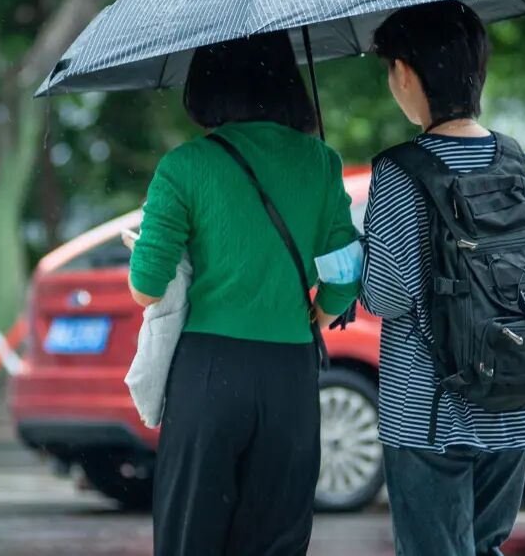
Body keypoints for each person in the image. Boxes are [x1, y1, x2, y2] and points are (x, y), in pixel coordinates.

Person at [123, 31, 361, 556]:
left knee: (194, 534)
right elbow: (346, 272)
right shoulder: (321, 162)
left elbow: (147, 288)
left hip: (208, 373)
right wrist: (315, 314)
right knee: (277, 536)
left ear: (207, 83)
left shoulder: (185, 166)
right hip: (291, 374)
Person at [361, 0, 525, 556]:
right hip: (520, 395)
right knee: (485, 545)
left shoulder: (400, 170)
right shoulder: (517, 160)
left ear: (405, 73)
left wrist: (360, 257)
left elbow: (385, 294)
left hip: (431, 408)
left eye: (390, 70)